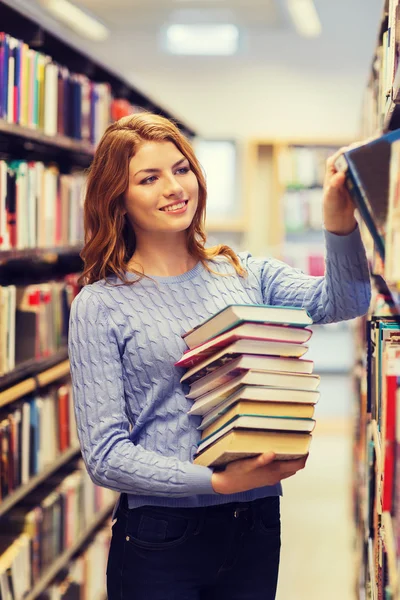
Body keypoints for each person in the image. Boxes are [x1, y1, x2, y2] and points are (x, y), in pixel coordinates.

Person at [68, 112, 371, 600]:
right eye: (149, 178)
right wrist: (218, 482)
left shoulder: (245, 273)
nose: (174, 187)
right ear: (118, 201)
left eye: (181, 169)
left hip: (254, 523)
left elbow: (347, 301)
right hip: (160, 537)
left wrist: (339, 224)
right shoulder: (100, 304)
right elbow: (105, 457)